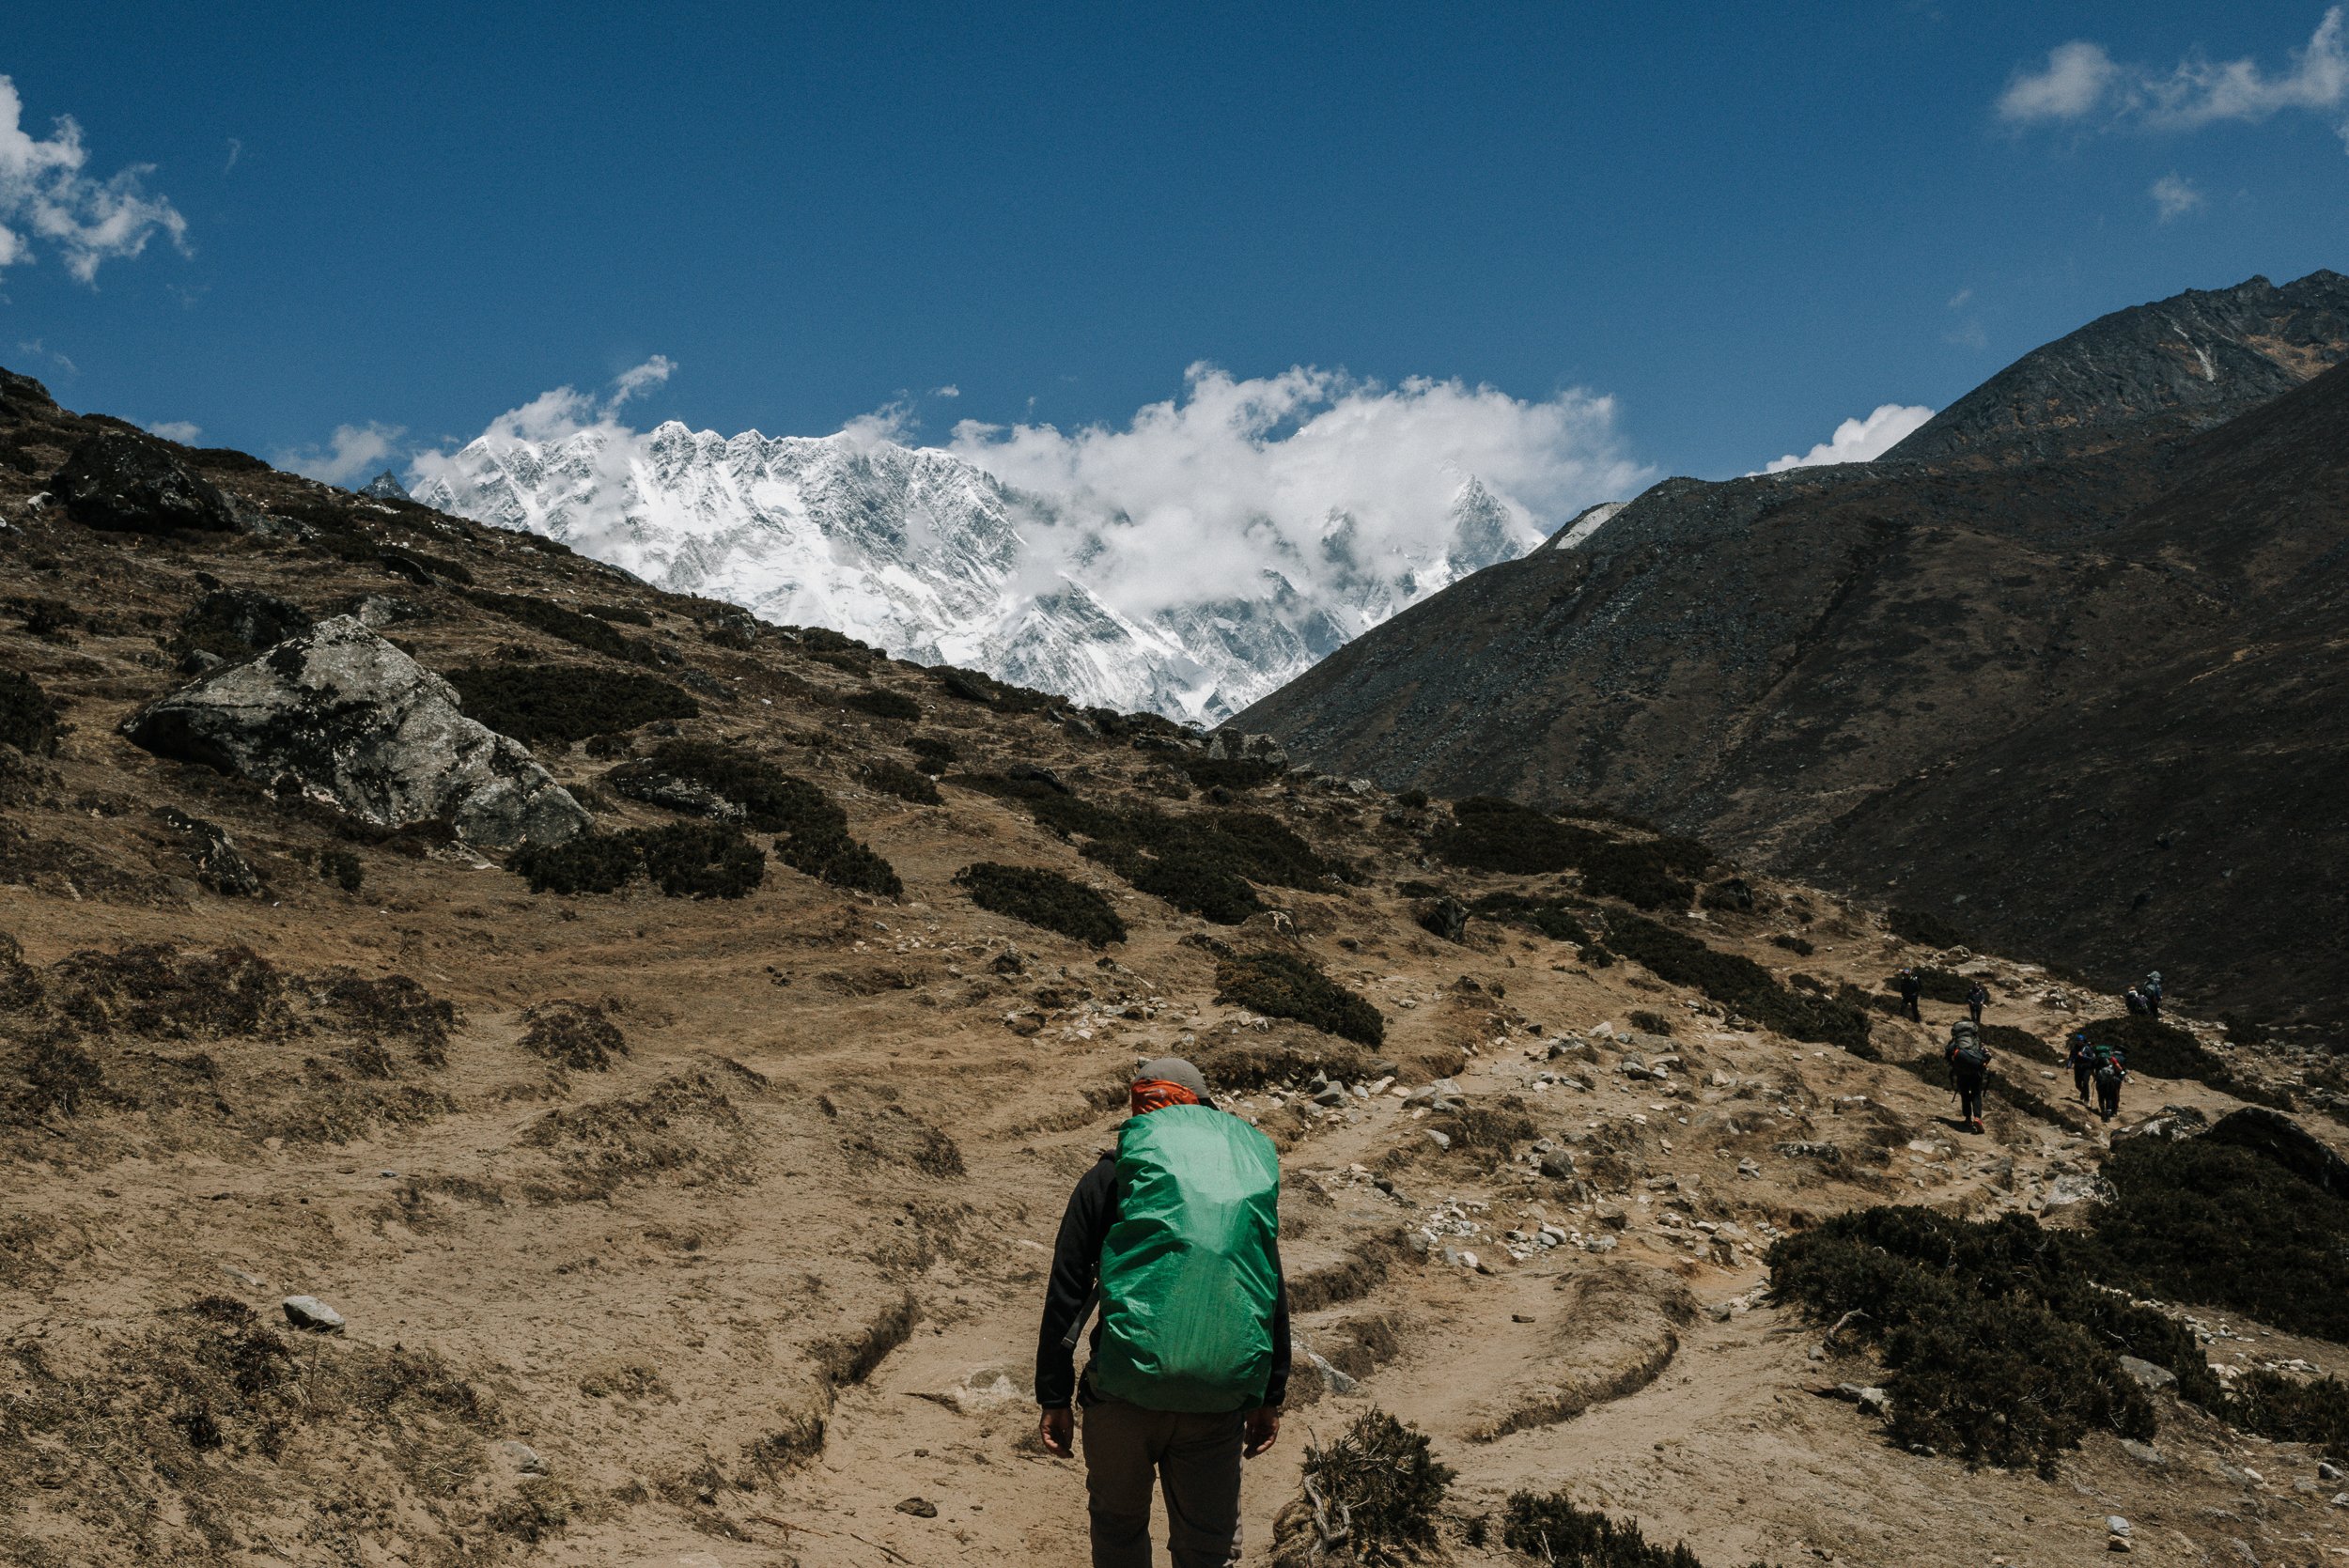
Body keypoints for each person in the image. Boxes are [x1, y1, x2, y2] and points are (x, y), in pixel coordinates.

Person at [1036, 1056, 1289, 1568]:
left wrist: (1054, 1394)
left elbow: (1067, 1285)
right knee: (1207, 1544)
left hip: (1125, 1389)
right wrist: (1269, 1393)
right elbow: (1267, 1285)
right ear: (1203, 1105)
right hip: (1217, 1397)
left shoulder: (1111, 1175)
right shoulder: (1237, 1183)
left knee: (1119, 1528)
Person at [1947, 1018, 1990, 1134]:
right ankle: (1977, 1118)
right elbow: (1988, 1055)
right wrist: (1983, 1064)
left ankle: (1967, 1119)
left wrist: (1955, 1066)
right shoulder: (1977, 1042)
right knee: (1976, 1094)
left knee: (1965, 1094)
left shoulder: (1956, 1042)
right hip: (1977, 1072)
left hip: (1961, 1072)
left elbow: (1948, 1054)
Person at [2092, 1038, 2128, 1121]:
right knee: (2110, 1097)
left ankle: (2103, 1112)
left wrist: (2095, 1077)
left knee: (2101, 1096)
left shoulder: (2096, 1059)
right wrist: (2121, 1076)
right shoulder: (2112, 1058)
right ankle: (2111, 1113)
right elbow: (2121, 1069)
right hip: (2112, 1080)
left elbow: (2091, 1069)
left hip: (2100, 1080)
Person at [2068, 1032, 2094, 1108]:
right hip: (2077, 1067)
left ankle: (2087, 1099)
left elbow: (2092, 1059)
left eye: (2081, 1041)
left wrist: (2083, 1057)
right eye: (2078, 1041)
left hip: (2087, 1068)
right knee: (2078, 1085)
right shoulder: (2074, 1049)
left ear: (2083, 1041)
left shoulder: (2087, 1048)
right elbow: (2071, 1058)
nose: (2079, 1042)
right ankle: (2083, 1092)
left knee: (2085, 1082)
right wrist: (2068, 1067)